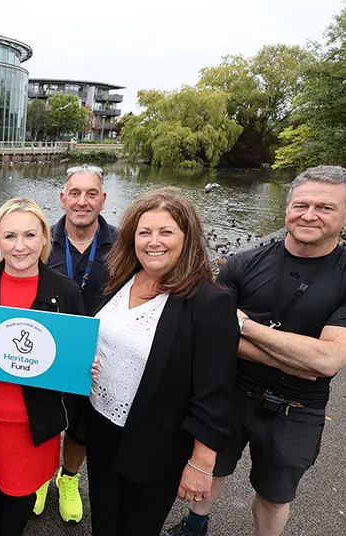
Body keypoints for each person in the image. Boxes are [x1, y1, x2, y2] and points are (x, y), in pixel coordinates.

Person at [164, 166, 346, 536]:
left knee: (274, 494)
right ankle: (195, 525)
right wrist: (297, 357)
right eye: (301, 204)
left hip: (297, 407)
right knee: (211, 468)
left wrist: (243, 325)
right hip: (230, 391)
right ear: (287, 207)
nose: (309, 215)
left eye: (325, 207)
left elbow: (328, 359)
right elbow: (205, 337)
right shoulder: (243, 264)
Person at [87, 188, 240, 536]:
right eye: (144, 232)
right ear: (132, 238)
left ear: (186, 238)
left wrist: (202, 464)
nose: (153, 242)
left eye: (166, 232)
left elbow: (215, 393)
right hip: (102, 427)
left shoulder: (209, 302)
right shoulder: (119, 279)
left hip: (157, 444)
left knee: (137, 527)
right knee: (104, 521)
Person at [0, 197, 86, 536]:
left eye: (29, 235)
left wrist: (84, 363)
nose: (19, 246)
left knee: (20, 499)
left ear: (44, 238)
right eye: (9, 236)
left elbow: (72, 353)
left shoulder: (65, 292)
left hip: (32, 420)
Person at [40, 164, 117, 523]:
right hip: (45, 349)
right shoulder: (42, 241)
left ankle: (67, 478)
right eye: (75, 193)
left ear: (102, 199)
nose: (82, 201)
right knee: (40, 415)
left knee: (82, 426)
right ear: (62, 199)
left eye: (91, 194)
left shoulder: (122, 245)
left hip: (99, 355)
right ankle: (39, 476)